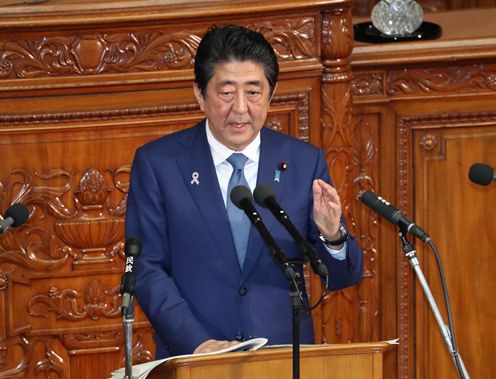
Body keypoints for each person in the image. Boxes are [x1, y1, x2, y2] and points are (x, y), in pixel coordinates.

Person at [125, 25, 363, 359]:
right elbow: (147, 270)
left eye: (253, 92)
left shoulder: (303, 163)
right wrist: (197, 344)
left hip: (282, 359)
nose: (240, 108)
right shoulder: (160, 164)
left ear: (270, 94)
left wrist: (332, 236)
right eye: (226, 93)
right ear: (199, 93)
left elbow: (342, 276)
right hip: (195, 358)